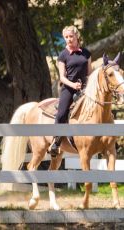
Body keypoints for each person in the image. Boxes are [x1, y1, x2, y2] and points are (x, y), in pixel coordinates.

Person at [50, 25, 92, 156]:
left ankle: (107, 135)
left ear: (76, 36)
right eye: (66, 37)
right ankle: (55, 142)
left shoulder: (86, 53)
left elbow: (89, 73)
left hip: (85, 88)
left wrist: (88, 85)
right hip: (69, 88)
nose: (68, 39)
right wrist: (73, 85)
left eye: (71, 36)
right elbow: (62, 77)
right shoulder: (63, 55)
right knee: (61, 113)